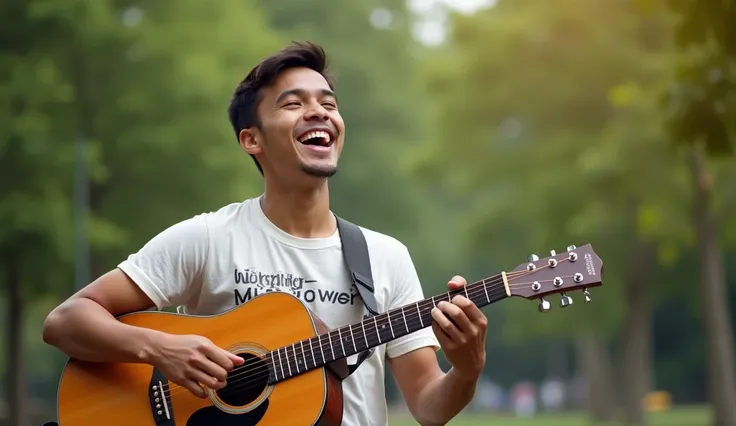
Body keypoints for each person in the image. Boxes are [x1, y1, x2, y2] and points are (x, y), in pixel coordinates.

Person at [42, 41, 488, 426]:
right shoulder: (209, 237)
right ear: (250, 140)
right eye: (293, 104)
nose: (319, 112)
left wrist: (466, 371)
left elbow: (429, 408)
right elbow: (65, 322)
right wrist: (161, 349)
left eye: (329, 104)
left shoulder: (384, 256)